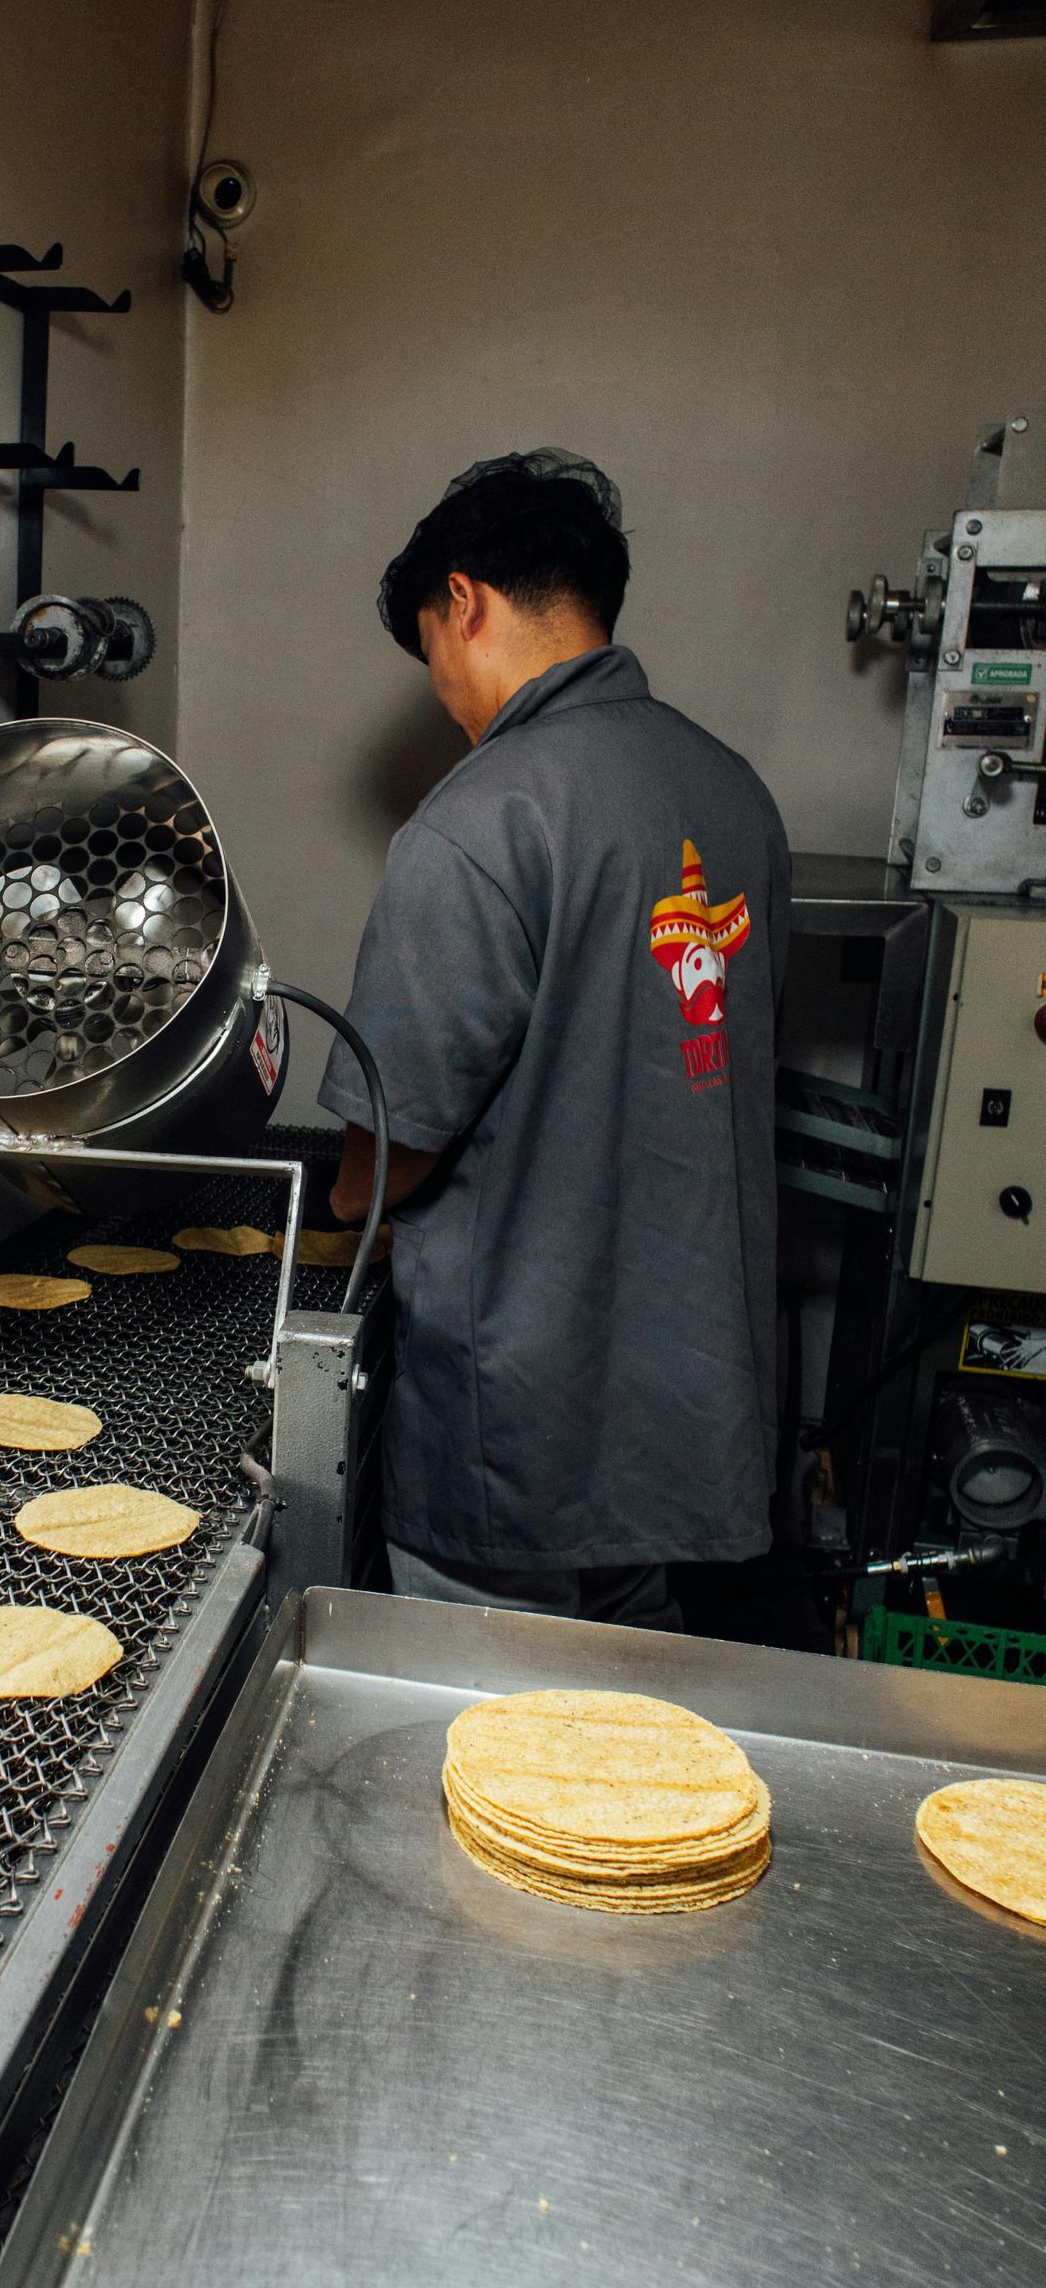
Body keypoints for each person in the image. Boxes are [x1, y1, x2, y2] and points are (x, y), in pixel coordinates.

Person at [319, 450, 790, 1632]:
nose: (442, 688)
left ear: (463, 603)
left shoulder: (481, 818)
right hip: (680, 1401)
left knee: (489, 1751)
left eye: (429, 646)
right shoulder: (729, 790)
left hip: (521, 1411)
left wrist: (342, 1211)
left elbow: (401, 1130)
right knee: (630, 1742)